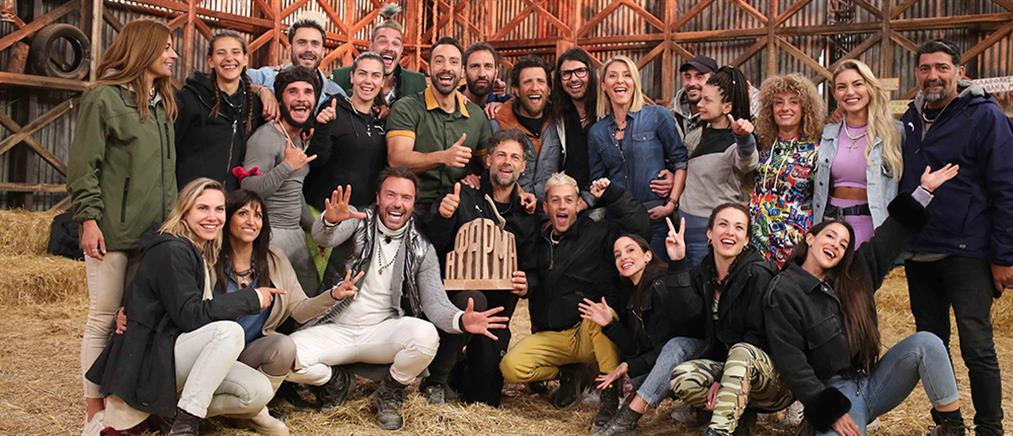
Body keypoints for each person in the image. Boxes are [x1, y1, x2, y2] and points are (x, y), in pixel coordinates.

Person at [287, 168, 510, 431]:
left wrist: (460, 320)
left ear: (413, 204)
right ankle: (335, 382)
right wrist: (330, 221)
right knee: (285, 358)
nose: (397, 203)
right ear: (378, 197)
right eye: (390, 195)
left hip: (382, 332)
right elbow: (324, 237)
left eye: (406, 197)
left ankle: (390, 392)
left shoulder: (421, 247)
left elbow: (434, 302)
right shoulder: (357, 219)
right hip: (335, 328)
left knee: (426, 336)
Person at [764, 164, 967, 436]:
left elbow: (891, 235)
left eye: (843, 244)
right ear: (810, 238)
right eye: (830, 236)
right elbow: (793, 363)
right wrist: (830, 411)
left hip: (874, 382)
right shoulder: (785, 290)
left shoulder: (856, 275)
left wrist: (924, 191)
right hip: (836, 393)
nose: (835, 245)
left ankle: (952, 428)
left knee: (927, 343)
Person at [85, 178, 282, 435]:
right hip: (152, 356)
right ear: (185, 211)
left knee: (258, 390)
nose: (212, 217)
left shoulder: (200, 249)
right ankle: (186, 423)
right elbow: (190, 316)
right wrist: (251, 298)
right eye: (203, 208)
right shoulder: (172, 250)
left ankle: (167, 413)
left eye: (219, 209)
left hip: (173, 349)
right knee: (228, 332)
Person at [66, 19, 179, 434]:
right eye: (166, 47)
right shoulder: (104, 98)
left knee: (137, 321)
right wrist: (89, 219)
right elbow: (84, 166)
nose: (173, 54)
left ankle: (126, 406)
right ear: (143, 48)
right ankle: (93, 409)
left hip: (155, 235)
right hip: (113, 231)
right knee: (102, 317)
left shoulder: (163, 103)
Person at [900, 39, 1013, 435]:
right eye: (925, 68)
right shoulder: (909, 119)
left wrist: (1004, 256)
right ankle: (948, 423)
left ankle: (989, 427)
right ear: (917, 74)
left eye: (942, 67)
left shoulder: (984, 116)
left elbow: (1005, 187)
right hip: (919, 252)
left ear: (960, 72)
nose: (933, 75)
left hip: (968, 250)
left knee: (976, 345)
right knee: (932, 344)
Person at [499, 174, 649, 428]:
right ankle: (568, 373)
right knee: (511, 367)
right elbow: (533, 274)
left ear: (579, 204)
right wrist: (527, 286)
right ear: (546, 207)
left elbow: (639, 229)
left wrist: (614, 195)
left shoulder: (598, 233)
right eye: (555, 200)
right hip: (553, 334)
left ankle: (610, 397)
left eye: (569, 200)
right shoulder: (540, 240)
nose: (562, 206)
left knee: (601, 314)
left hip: (589, 331)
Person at [213, 188, 350, 434]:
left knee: (283, 346)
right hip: (213, 352)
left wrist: (333, 295)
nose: (251, 221)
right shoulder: (209, 258)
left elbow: (299, 309)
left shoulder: (273, 257)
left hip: (249, 354)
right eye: (243, 214)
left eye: (258, 215)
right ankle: (249, 412)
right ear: (227, 218)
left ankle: (250, 411)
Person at [422, 129, 542, 406]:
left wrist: (527, 284)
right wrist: (443, 216)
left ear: (523, 167)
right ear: (488, 161)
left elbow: (532, 267)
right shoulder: (462, 193)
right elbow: (434, 246)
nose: (507, 162)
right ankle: (436, 379)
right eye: (501, 155)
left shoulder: (526, 212)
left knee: (484, 399)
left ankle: (461, 368)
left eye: (515, 157)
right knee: (474, 299)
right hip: (457, 301)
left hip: (497, 312)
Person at [668, 203, 790, 436]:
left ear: (747, 240)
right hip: (731, 369)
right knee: (682, 378)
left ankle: (718, 431)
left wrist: (722, 380)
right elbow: (686, 321)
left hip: (771, 376)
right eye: (723, 224)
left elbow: (758, 337)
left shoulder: (758, 273)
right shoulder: (705, 272)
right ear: (709, 233)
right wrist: (677, 264)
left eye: (739, 227)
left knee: (742, 350)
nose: (730, 232)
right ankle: (739, 416)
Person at [585, 228, 707, 435]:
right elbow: (638, 349)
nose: (623, 257)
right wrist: (610, 325)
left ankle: (625, 421)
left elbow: (673, 341)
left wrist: (631, 365)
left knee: (668, 351)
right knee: (637, 378)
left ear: (648, 256)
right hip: (668, 357)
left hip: (697, 353)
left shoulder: (662, 283)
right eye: (618, 255)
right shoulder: (633, 296)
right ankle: (622, 422)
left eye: (630, 250)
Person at [589, 55, 687, 261]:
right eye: (612, 76)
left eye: (626, 75)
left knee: (657, 274)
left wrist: (671, 204)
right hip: (619, 221)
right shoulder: (597, 132)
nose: (620, 81)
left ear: (634, 82)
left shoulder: (658, 116)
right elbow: (597, 178)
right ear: (604, 85)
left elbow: (680, 161)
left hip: (656, 217)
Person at [386, 36, 492, 210]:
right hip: (413, 205)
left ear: (462, 71)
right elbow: (397, 159)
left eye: (453, 62)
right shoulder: (406, 108)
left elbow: (490, 162)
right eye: (439, 61)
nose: (446, 68)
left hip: (458, 204)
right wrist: (443, 157)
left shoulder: (476, 115)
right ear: (429, 69)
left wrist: (477, 176)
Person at [241, 66, 320, 294]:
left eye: (308, 92)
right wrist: (287, 167)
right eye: (293, 91)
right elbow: (248, 188)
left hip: (296, 235)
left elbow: (293, 190)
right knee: (279, 306)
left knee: (311, 299)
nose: (301, 98)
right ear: (280, 100)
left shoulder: (298, 138)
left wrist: (315, 229)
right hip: (271, 236)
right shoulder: (266, 137)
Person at [812, 59, 903, 247]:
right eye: (842, 87)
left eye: (857, 84)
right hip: (830, 226)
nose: (850, 92)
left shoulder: (895, 132)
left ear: (870, 87)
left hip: (873, 227)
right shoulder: (827, 134)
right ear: (835, 93)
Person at [678, 66, 758, 266]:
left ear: (727, 107)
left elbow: (748, 161)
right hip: (683, 232)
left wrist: (744, 138)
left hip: (710, 236)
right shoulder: (696, 136)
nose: (700, 104)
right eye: (701, 99)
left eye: (707, 100)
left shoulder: (736, 142)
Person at [750, 73, 824, 268]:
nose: (785, 108)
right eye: (778, 102)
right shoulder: (762, 145)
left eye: (794, 102)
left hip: (794, 243)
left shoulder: (817, 151)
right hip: (756, 241)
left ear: (805, 108)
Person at [175, 31, 264, 192]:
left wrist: (265, 92)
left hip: (233, 200)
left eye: (235, 52)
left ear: (245, 59)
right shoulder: (189, 99)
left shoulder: (255, 105)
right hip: (193, 197)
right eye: (221, 53)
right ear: (210, 61)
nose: (229, 58)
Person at [304, 51, 388, 212]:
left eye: (375, 75)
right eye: (362, 73)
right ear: (352, 77)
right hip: (324, 210)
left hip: (363, 213)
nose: (368, 80)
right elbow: (315, 160)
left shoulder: (381, 121)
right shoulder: (333, 108)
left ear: (382, 81)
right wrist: (322, 127)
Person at [490, 55, 559, 196]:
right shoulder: (496, 125)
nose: (535, 88)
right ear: (516, 90)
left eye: (540, 81)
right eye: (527, 82)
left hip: (552, 207)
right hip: (513, 207)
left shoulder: (560, 123)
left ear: (548, 89)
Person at [332, 4, 426, 108]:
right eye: (383, 41)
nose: (389, 48)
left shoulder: (416, 84)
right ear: (371, 46)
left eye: (395, 43)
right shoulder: (340, 78)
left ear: (401, 50)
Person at [247, 17, 346, 111]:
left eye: (315, 44)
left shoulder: (336, 94)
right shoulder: (265, 78)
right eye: (302, 42)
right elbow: (239, 81)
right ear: (289, 48)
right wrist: (261, 90)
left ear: (323, 52)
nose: (309, 49)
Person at [544, 47, 599, 198]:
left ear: (591, 73)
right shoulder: (557, 113)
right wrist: (500, 103)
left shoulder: (606, 111)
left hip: (603, 195)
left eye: (580, 71)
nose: (573, 79)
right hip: (568, 199)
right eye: (566, 74)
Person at [670, 55, 718, 154]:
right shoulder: (670, 115)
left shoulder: (720, 119)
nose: (692, 83)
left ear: (714, 81)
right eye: (688, 77)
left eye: (699, 77)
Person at [461, 42, 511, 108]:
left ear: (496, 72)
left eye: (488, 66)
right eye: (475, 66)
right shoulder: (452, 102)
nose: (482, 74)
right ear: (464, 71)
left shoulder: (506, 105)